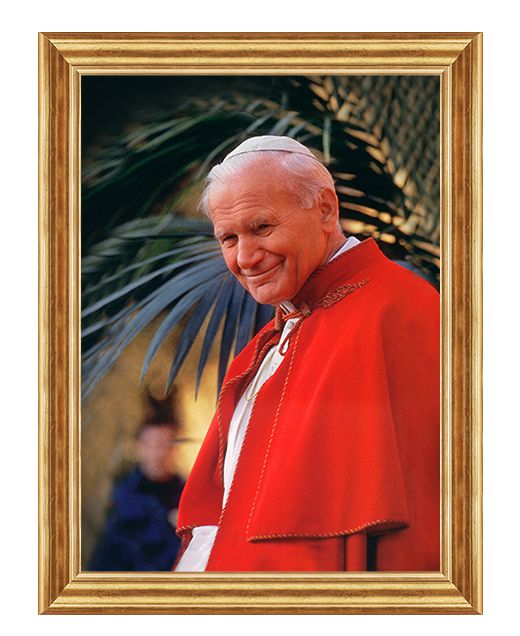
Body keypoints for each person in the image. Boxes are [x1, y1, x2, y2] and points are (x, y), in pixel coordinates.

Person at [174, 135, 440, 572]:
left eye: (262, 227)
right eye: (228, 238)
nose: (246, 258)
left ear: (325, 210)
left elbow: (428, 517)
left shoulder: (401, 311)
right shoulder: (263, 347)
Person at [89, 393, 185, 571]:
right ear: (140, 446)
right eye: (153, 444)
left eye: (165, 444)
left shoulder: (186, 495)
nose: (159, 453)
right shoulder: (123, 497)